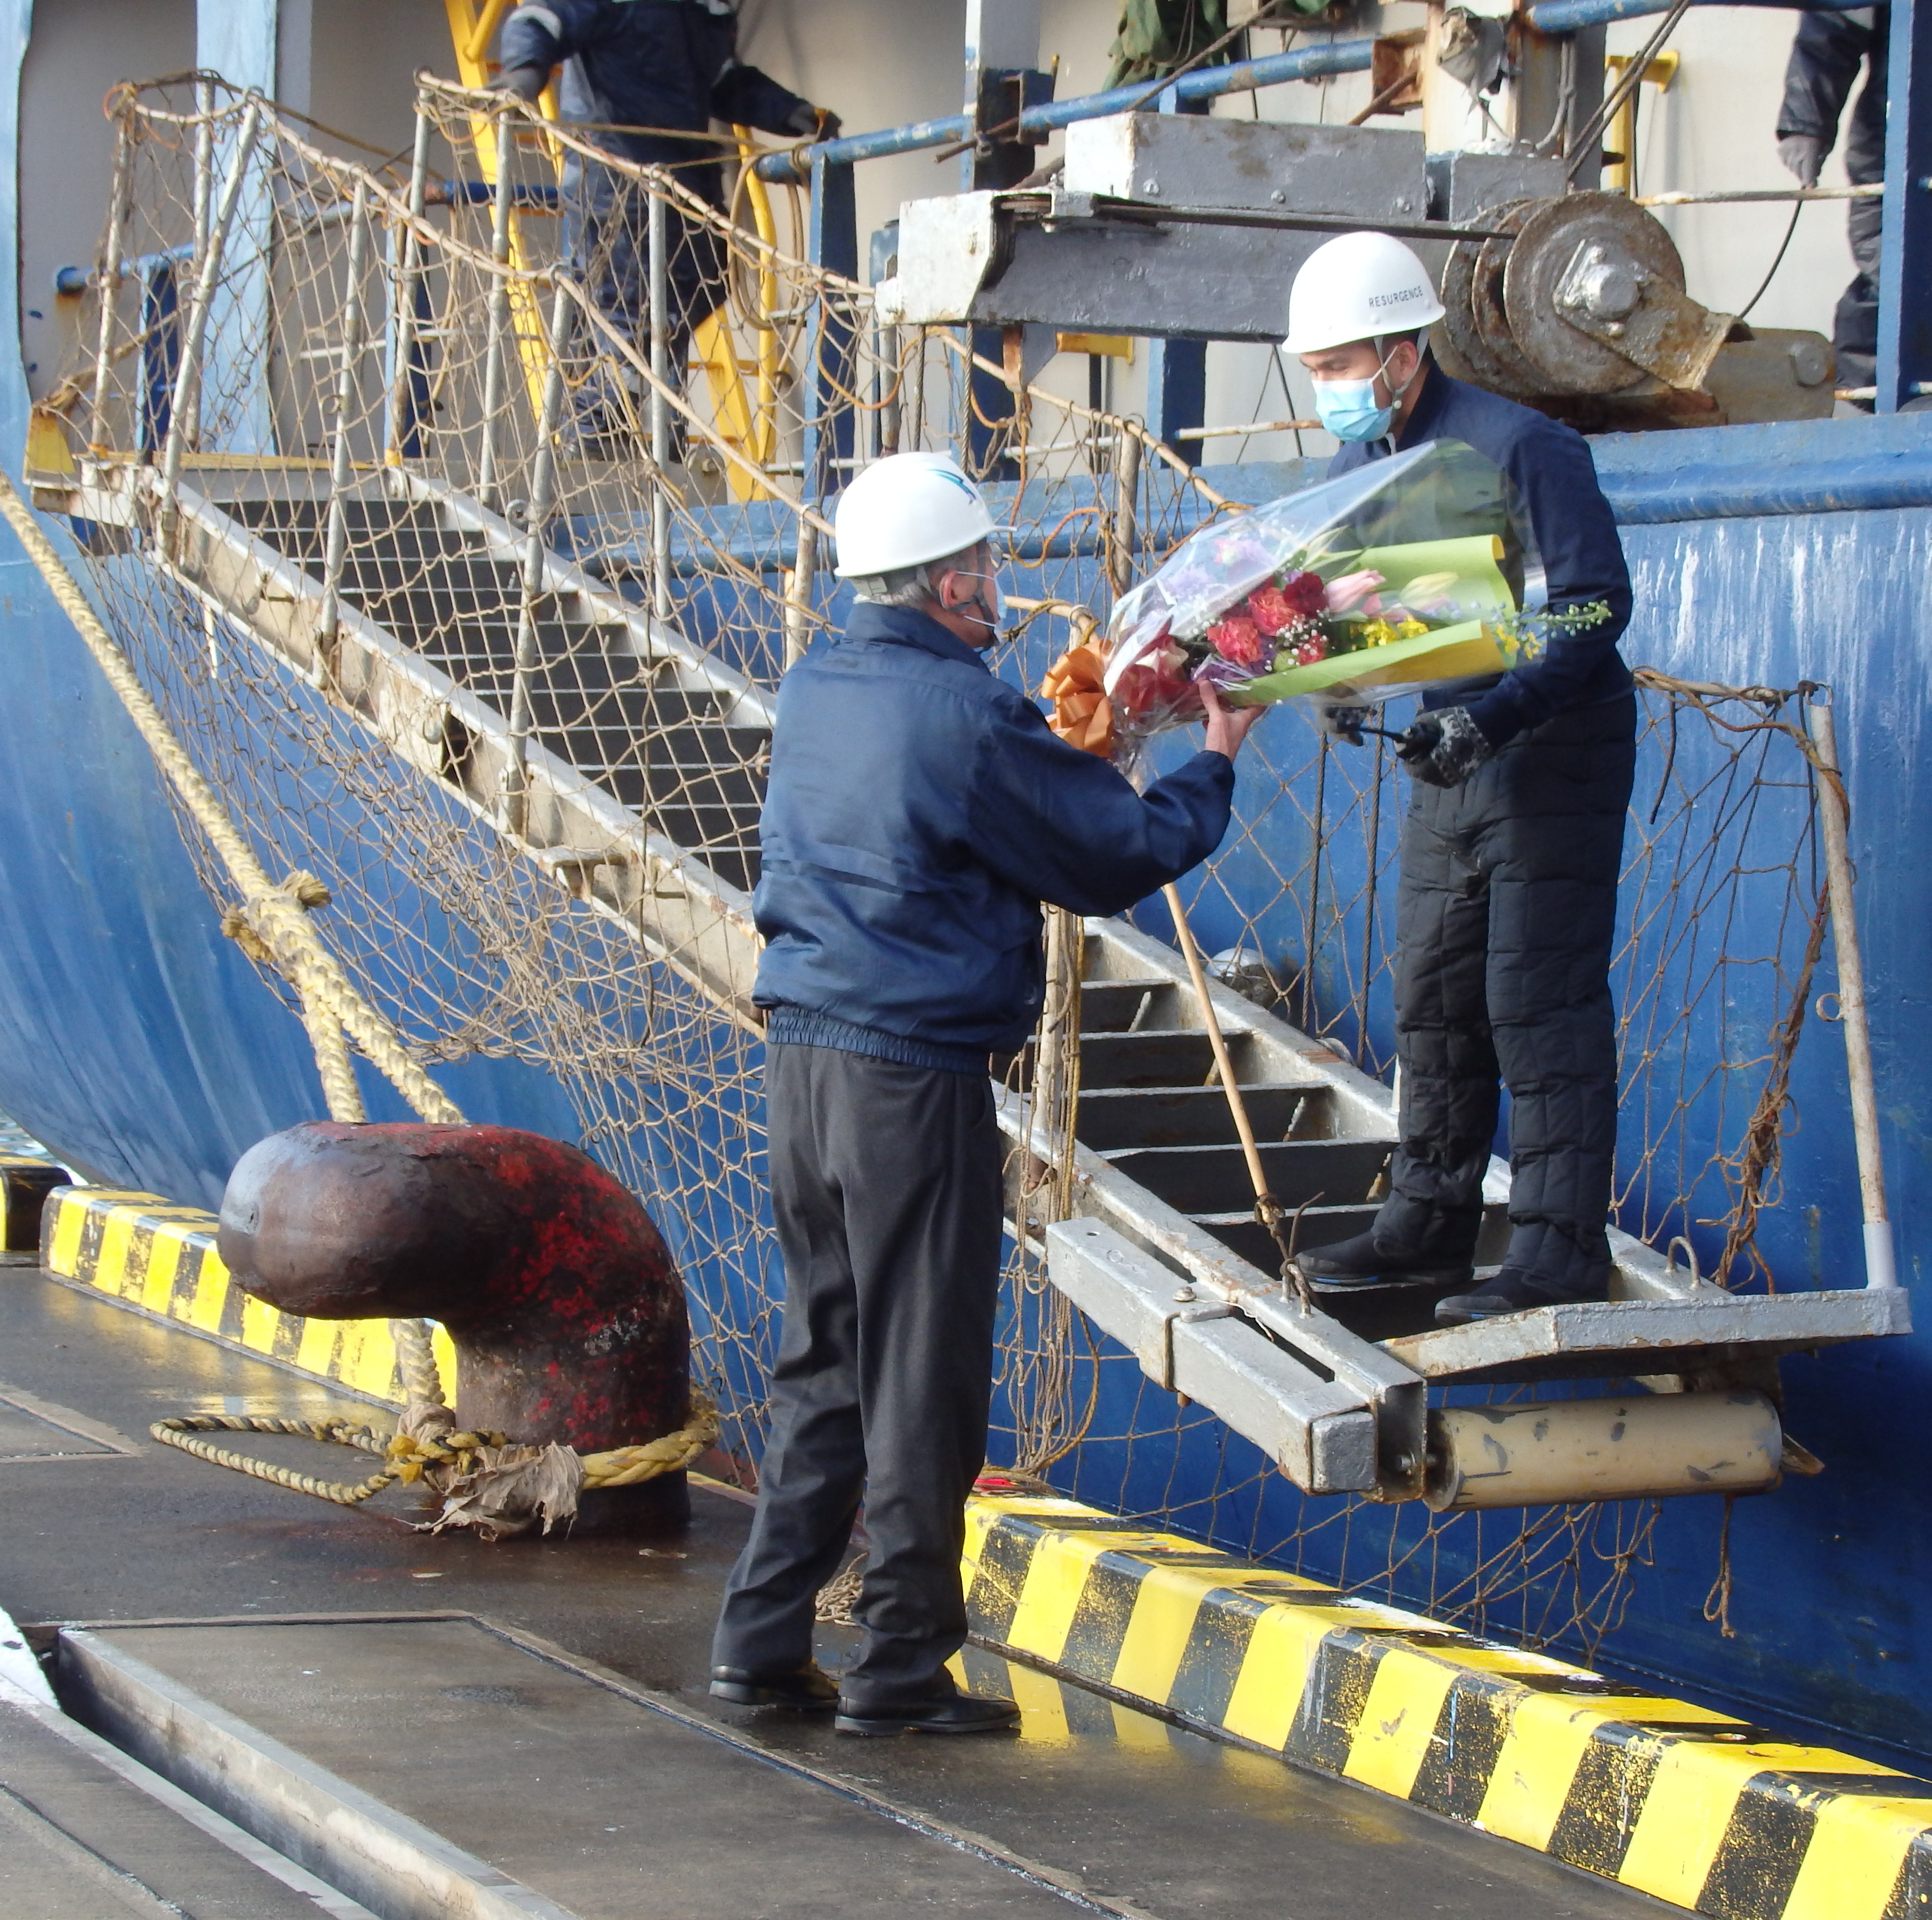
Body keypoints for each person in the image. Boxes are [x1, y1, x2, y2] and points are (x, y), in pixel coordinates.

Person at [709, 453, 1260, 1736]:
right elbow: (1114, 849)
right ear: (954, 580)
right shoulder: (963, 712)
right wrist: (1216, 752)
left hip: (803, 1065)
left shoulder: (817, 684)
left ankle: (758, 1639)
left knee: (826, 1358)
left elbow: (968, 808)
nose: (1001, 587)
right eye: (990, 567)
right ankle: (899, 1670)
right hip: (912, 1078)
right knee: (923, 1375)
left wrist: (1068, 752)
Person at [1282, 232, 1636, 1324]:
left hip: (1552, 746)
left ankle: (1557, 1249)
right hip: (1449, 747)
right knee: (1433, 994)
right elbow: (1370, 617)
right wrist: (1339, 685)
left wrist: (1497, 716)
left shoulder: (1521, 447)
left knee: (1535, 995)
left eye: (1345, 365)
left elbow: (1589, 604)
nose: (1332, 389)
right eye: (1320, 370)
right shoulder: (1365, 471)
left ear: (1403, 349)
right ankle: (1430, 1220)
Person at [495, 1, 838, 433]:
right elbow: (543, 19)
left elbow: (720, 79)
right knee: (625, 296)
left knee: (705, 279)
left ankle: (653, 406)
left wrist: (787, 112)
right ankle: (601, 415)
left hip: (687, 178)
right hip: (618, 171)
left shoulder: (702, 12)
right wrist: (524, 72)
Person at [1775, 6, 1886, 394]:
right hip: (1903, 129)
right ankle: (1866, 400)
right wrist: (1806, 122)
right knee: (1890, 266)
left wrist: (1807, 123)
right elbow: (1835, 21)